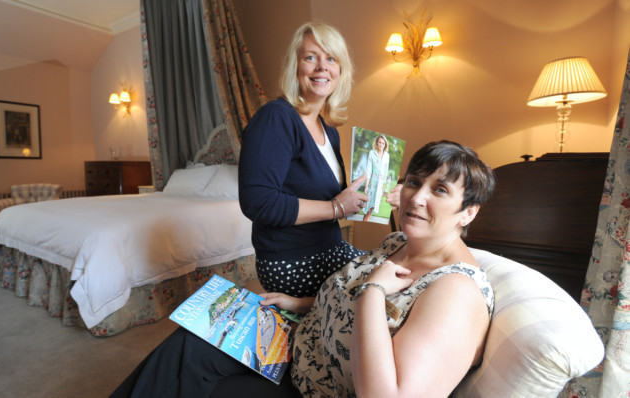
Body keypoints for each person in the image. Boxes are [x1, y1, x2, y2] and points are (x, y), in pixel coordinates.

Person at [110, 140, 496, 398]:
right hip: (298, 344)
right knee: (192, 341)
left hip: (312, 390)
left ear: (469, 212)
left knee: (203, 385)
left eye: (440, 190)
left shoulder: (455, 292)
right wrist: (302, 303)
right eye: (414, 182)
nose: (417, 197)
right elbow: (352, 300)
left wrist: (372, 294)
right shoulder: (400, 243)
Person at [239, 21, 396, 301]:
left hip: (329, 249)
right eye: (310, 57)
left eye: (331, 59)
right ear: (295, 67)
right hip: (291, 261)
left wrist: (381, 196)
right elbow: (258, 202)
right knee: (384, 294)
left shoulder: (329, 131)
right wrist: (335, 208)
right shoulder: (276, 118)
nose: (322, 67)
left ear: (340, 71)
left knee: (400, 269)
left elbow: (338, 201)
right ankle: (306, 307)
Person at [362, 134, 390, 222]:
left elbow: (385, 172)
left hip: (380, 183)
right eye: (380, 143)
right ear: (377, 143)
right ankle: (364, 221)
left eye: (383, 143)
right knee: (367, 207)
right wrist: (366, 185)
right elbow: (369, 170)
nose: (381, 145)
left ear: (385, 145)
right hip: (372, 183)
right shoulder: (372, 153)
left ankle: (365, 221)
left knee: (372, 207)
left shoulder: (387, 156)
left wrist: (383, 187)